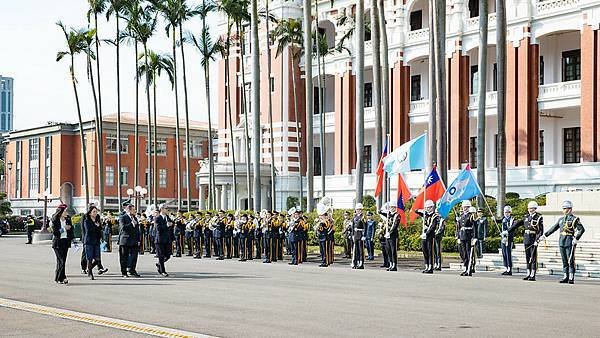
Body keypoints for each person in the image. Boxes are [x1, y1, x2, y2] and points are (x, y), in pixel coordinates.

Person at [538, 200, 585, 284]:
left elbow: (581, 229)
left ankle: (571, 276)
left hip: (570, 241)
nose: (565, 210)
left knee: (570, 260)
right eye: (564, 208)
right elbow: (553, 228)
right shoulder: (561, 219)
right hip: (561, 241)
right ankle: (565, 276)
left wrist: (576, 238)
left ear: (570, 209)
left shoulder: (574, 219)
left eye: (566, 208)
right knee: (564, 260)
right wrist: (544, 235)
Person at [502, 201, 544, 281]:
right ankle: (528, 273)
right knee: (527, 257)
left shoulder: (538, 218)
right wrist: (508, 231)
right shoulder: (526, 217)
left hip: (533, 238)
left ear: (535, 209)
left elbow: (540, 230)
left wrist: (537, 240)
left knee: (533, 257)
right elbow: (516, 224)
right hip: (526, 238)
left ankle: (533, 274)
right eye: (529, 208)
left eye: (532, 208)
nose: (530, 210)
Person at [51, 204, 74, 284]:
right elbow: (55, 232)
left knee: (62, 260)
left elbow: (71, 230)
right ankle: (62, 277)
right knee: (61, 261)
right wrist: (64, 229)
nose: (66, 212)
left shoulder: (68, 219)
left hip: (65, 242)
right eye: (65, 211)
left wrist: (72, 239)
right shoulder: (55, 220)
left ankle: (59, 278)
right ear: (61, 212)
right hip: (57, 243)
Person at [82, 205, 106, 280]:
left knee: (97, 259)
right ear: (90, 213)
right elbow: (88, 230)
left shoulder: (97, 220)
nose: (95, 213)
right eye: (94, 212)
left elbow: (100, 229)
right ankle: (90, 274)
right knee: (89, 258)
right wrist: (96, 226)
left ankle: (89, 269)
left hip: (96, 241)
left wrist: (98, 227)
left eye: (96, 211)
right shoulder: (87, 220)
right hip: (89, 241)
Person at [118, 200, 140, 278]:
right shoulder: (122, 217)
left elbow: (137, 230)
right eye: (133, 210)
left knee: (134, 256)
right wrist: (131, 224)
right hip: (125, 240)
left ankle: (132, 270)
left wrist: (138, 240)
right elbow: (123, 228)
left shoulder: (135, 218)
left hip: (134, 240)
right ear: (129, 210)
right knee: (124, 257)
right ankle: (124, 272)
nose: (135, 211)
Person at [417, 200, 439, 274]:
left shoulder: (435, 216)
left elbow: (432, 226)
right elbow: (415, 210)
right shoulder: (425, 215)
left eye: (429, 207)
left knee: (430, 251)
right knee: (424, 251)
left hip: (430, 236)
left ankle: (430, 267)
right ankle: (426, 265)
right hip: (424, 236)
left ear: (432, 207)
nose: (428, 209)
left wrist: (426, 233)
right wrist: (420, 210)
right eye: (426, 207)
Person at [456, 200, 476, 276]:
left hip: (468, 236)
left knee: (468, 253)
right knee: (463, 253)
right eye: (464, 207)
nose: (465, 208)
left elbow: (474, 227)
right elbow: (459, 228)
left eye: (467, 207)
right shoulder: (461, 216)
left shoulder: (471, 216)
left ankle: (469, 269)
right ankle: (465, 267)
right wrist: (458, 237)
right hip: (462, 236)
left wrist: (474, 237)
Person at [379, 203, 399, 271]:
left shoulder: (397, 215)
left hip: (393, 235)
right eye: (391, 207)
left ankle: (394, 265)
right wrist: (384, 209)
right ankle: (390, 264)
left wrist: (389, 232)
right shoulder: (388, 214)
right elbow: (379, 212)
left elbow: (395, 225)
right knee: (389, 250)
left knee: (393, 251)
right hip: (387, 235)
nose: (392, 209)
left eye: (393, 207)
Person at [154, 205, 171, 277]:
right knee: (161, 256)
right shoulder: (158, 218)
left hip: (167, 239)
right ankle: (163, 271)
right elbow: (158, 228)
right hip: (160, 239)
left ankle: (159, 264)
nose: (167, 210)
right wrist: (166, 225)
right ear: (162, 209)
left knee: (168, 255)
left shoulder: (167, 217)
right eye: (166, 209)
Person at [499, 206, 515, 275]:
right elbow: (499, 220)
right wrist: (494, 219)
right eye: (505, 212)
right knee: (504, 253)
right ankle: (506, 267)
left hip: (509, 238)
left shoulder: (512, 219)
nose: (506, 213)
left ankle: (509, 268)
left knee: (508, 253)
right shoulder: (503, 219)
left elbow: (512, 227)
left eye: (508, 212)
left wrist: (507, 232)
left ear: (510, 212)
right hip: (503, 238)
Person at [351, 205, 365, 269]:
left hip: (360, 234)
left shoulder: (363, 217)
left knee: (361, 250)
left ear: (361, 210)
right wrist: (353, 235)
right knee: (356, 250)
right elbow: (353, 227)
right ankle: (356, 263)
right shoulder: (354, 217)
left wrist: (364, 235)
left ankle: (361, 263)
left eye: (359, 209)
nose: (358, 211)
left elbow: (365, 227)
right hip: (356, 235)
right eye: (357, 209)